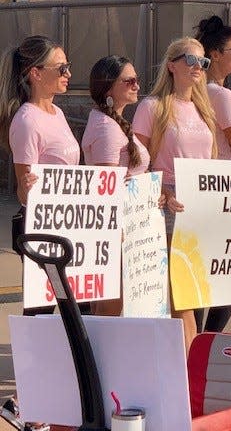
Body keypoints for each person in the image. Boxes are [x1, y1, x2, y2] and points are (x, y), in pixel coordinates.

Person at [132, 37, 217, 353]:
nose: (198, 67)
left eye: (203, 62)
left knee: (190, 293)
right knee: (177, 292)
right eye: (191, 60)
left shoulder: (203, 109)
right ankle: (184, 366)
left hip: (200, 205)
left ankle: (188, 365)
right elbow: (135, 161)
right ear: (171, 65)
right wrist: (161, 193)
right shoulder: (152, 107)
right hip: (167, 205)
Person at [0, 35, 79, 316]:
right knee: (42, 306)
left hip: (68, 222)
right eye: (61, 68)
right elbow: (24, 193)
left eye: (68, 66)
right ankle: (34, 357)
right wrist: (28, 185)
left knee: (74, 302)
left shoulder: (56, 112)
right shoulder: (27, 120)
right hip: (40, 228)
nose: (68, 74)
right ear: (35, 73)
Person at [193, 14, 231, 332]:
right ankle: (206, 339)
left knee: (205, 276)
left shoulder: (202, 89)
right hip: (223, 194)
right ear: (214, 54)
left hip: (211, 189)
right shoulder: (221, 94)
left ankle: (198, 340)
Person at [82, 55, 151, 316]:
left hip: (127, 223)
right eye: (129, 81)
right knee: (112, 305)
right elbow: (106, 189)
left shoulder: (113, 123)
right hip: (117, 228)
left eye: (137, 80)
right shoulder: (106, 129)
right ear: (108, 87)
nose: (136, 86)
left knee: (110, 303)